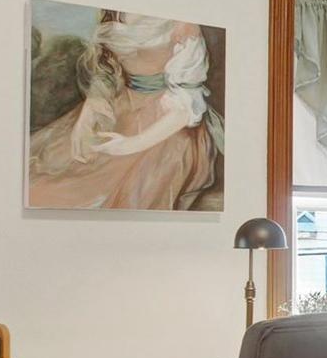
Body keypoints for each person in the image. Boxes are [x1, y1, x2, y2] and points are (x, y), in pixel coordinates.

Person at [27, 13, 222, 210]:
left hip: (167, 123)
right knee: (45, 182)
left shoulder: (183, 25)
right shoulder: (113, 13)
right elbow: (106, 69)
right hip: (120, 106)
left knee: (121, 193)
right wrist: (87, 116)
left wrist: (129, 145)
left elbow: (185, 105)